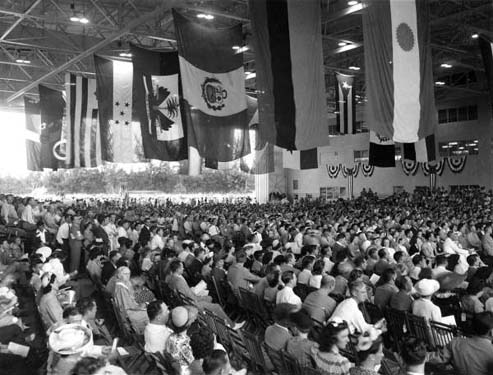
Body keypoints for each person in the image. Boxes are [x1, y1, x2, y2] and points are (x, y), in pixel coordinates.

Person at [112, 266, 149, 334]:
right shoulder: (121, 288)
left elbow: (131, 296)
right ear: (119, 275)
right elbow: (128, 306)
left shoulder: (124, 283)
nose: (128, 276)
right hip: (129, 314)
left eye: (129, 274)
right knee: (152, 313)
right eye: (125, 274)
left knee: (147, 298)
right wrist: (141, 306)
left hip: (130, 309)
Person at [165, 306, 195, 371]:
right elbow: (194, 365)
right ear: (188, 324)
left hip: (177, 368)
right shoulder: (186, 345)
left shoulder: (170, 337)